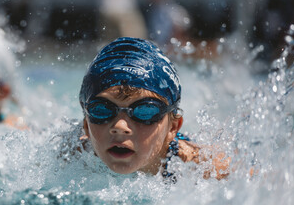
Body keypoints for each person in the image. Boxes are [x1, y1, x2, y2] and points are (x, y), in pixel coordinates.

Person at [78, 37, 229, 179]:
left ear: (172, 128)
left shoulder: (199, 166)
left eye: (144, 111)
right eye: (102, 110)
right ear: (86, 126)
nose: (120, 126)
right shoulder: (75, 155)